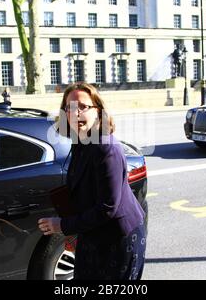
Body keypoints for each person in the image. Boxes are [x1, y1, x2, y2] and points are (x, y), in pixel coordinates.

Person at [38, 83, 146, 280]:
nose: (76, 113)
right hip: (93, 234)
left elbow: (107, 207)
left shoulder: (105, 147)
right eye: (70, 108)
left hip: (118, 238)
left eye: (83, 107)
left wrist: (62, 225)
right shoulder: (81, 141)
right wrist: (75, 231)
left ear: (98, 111)